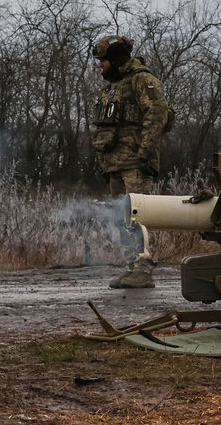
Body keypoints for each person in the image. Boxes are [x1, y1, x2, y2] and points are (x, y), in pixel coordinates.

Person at [91, 35, 171, 289]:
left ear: (115, 59)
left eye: (103, 60)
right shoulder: (113, 87)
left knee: (140, 218)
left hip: (135, 163)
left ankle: (143, 269)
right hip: (115, 164)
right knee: (122, 219)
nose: (100, 65)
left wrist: (144, 152)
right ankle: (131, 267)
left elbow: (157, 114)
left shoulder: (142, 80)